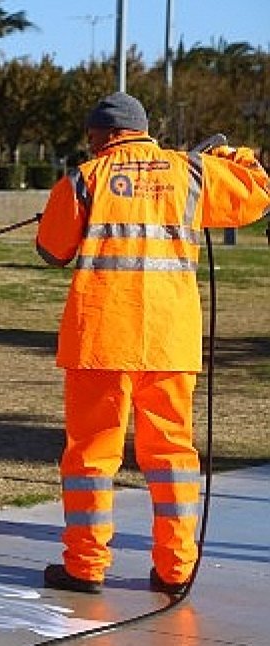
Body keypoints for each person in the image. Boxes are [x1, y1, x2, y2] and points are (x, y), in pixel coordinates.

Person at [36, 91, 270, 595]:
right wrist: (229, 156)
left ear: (103, 132)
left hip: (100, 339)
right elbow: (258, 190)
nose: (91, 143)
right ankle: (176, 570)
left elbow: (52, 251)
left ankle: (86, 566)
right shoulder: (189, 172)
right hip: (169, 340)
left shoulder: (85, 177)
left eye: (92, 135)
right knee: (171, 457)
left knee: (91, 458)